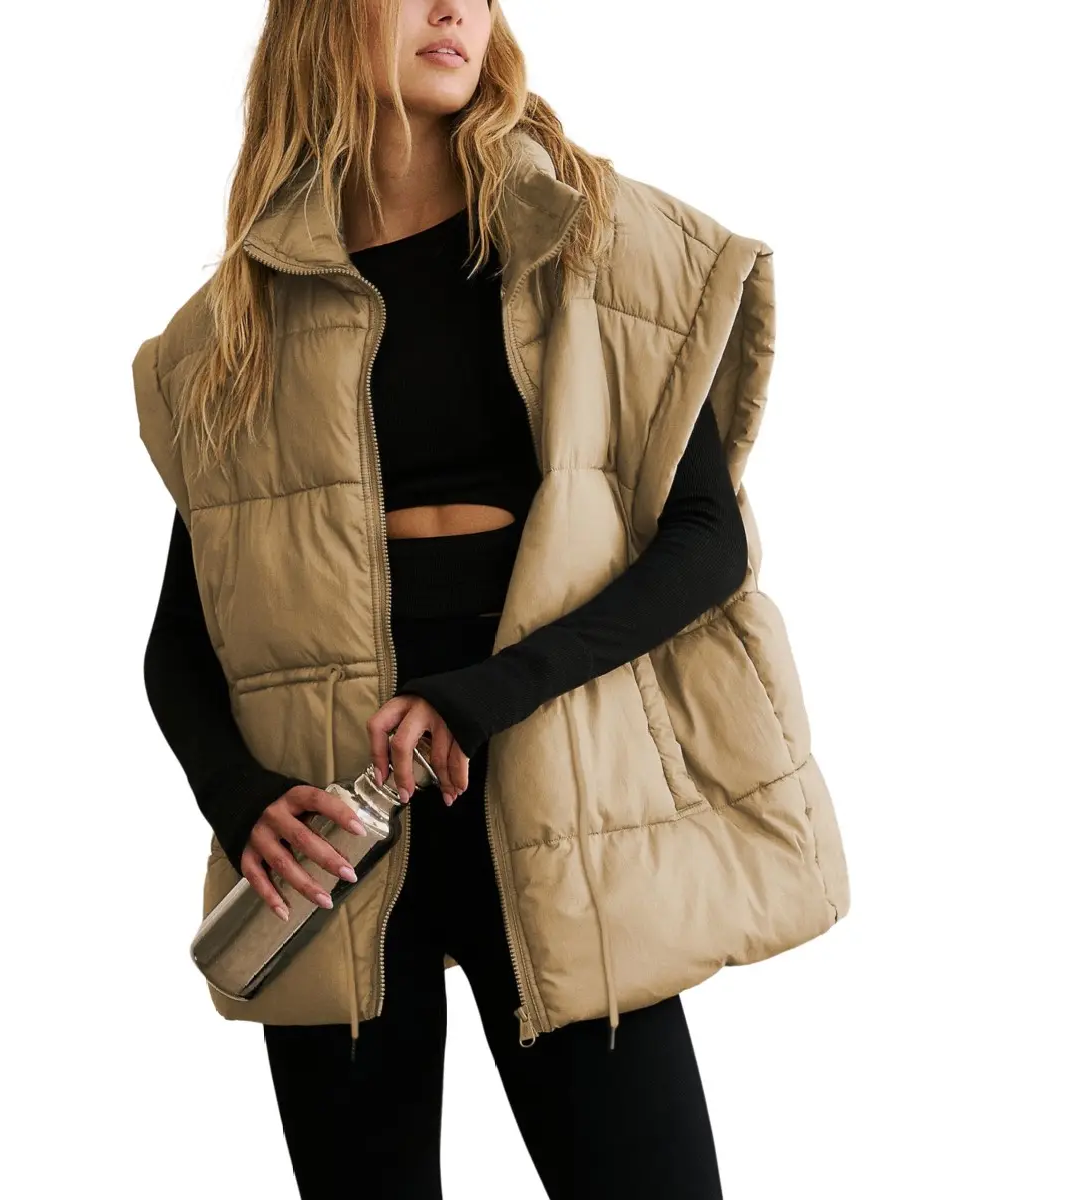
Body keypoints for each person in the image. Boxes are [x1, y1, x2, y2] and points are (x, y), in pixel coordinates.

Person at [133, 2, 850, 1197]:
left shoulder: (592, 239)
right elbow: (181, 639)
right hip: (338, 834)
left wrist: (488, 693)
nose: (453, 7)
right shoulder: (235, 327)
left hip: (554, 788)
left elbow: (706, 542)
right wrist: (241, 799)